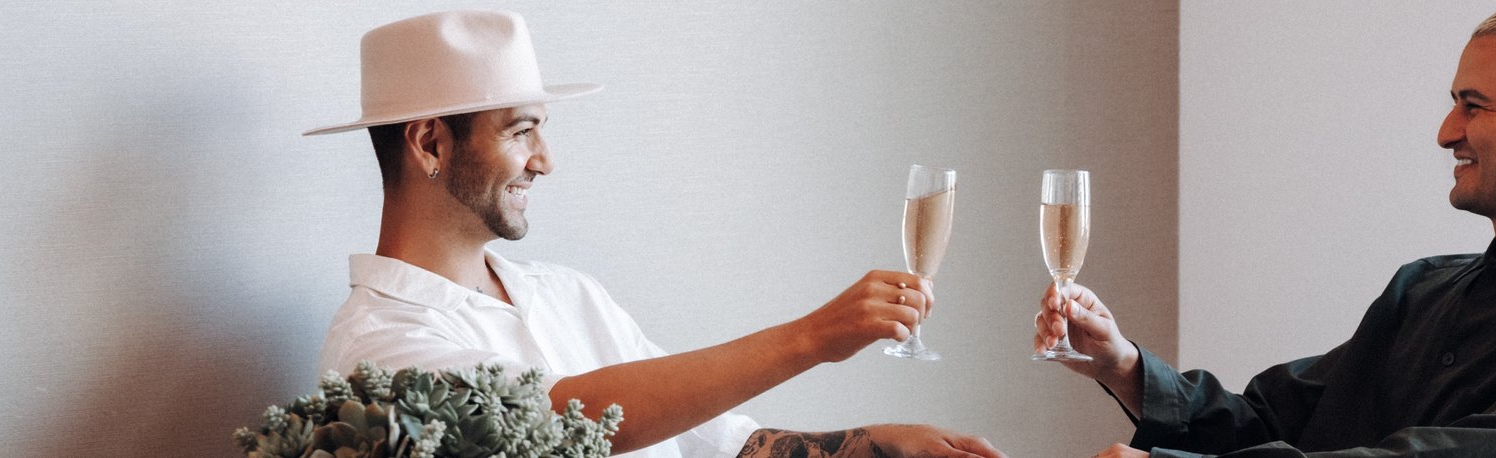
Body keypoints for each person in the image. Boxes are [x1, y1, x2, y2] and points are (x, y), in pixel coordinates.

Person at [304, 10, 1003, 458]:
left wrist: (875, 447)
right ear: (430, 143)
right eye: (522, 131)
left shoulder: (569, 294)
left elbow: (728, 444)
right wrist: (811, 338)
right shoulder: (377, 349)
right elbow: (564, 425)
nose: (547, 161)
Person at [1034, 3, 1496, 457]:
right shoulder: (1424, 289)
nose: (1446, 132)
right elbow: (1272, 422)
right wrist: (1121, 366)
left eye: (1474, 105)